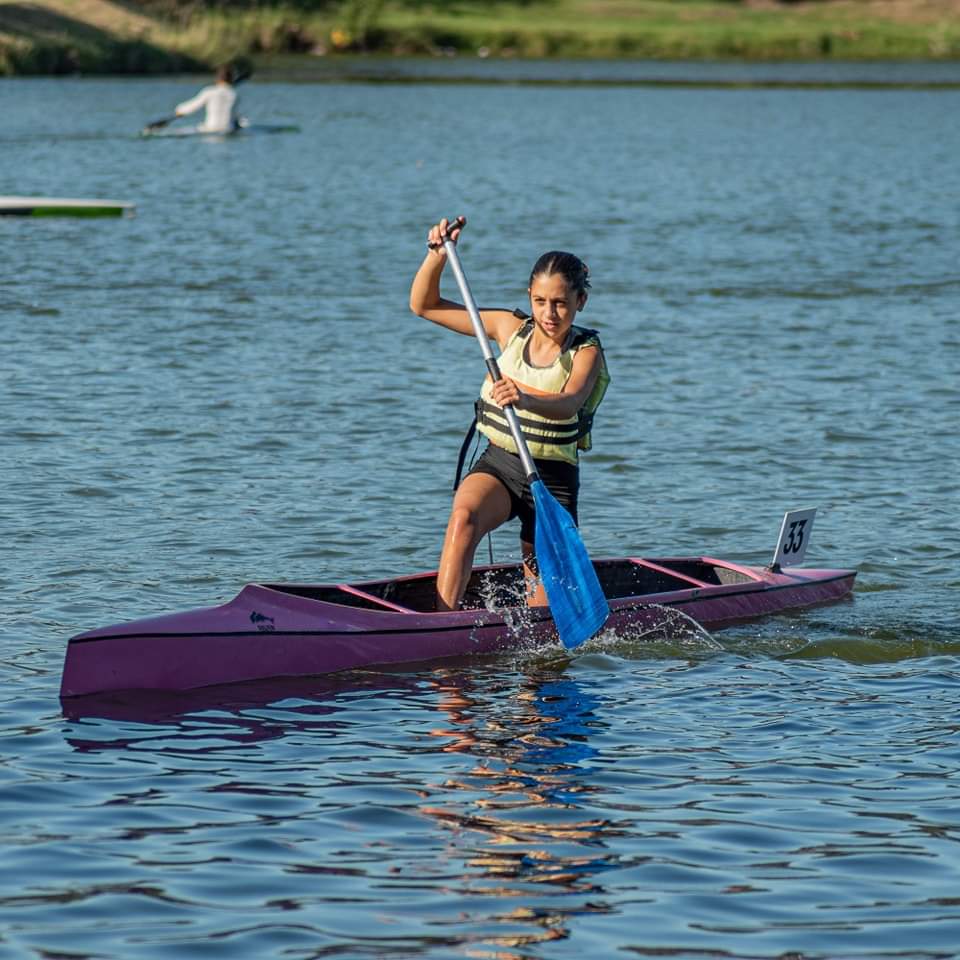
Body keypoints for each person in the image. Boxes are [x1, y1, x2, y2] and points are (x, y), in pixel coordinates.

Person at [409, 216, 610, 612]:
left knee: (543, 612)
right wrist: (436, 256)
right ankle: (441, 624)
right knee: (463, 518)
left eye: (560, 303)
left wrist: (525, 397)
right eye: (540, 301)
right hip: (500, 464)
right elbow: (424, 305)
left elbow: (569, 402)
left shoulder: (586, 351)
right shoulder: (508, 328)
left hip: (552, 482)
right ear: (530, 296)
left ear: (580, 302)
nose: (549, 313)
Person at [174, 65, 240, 133]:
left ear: (217, 78)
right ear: (232, 78)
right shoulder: (234, 94)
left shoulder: (209, 91)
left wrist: (179, 110)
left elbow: (193, 106)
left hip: (209, 129)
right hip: (227, 129)